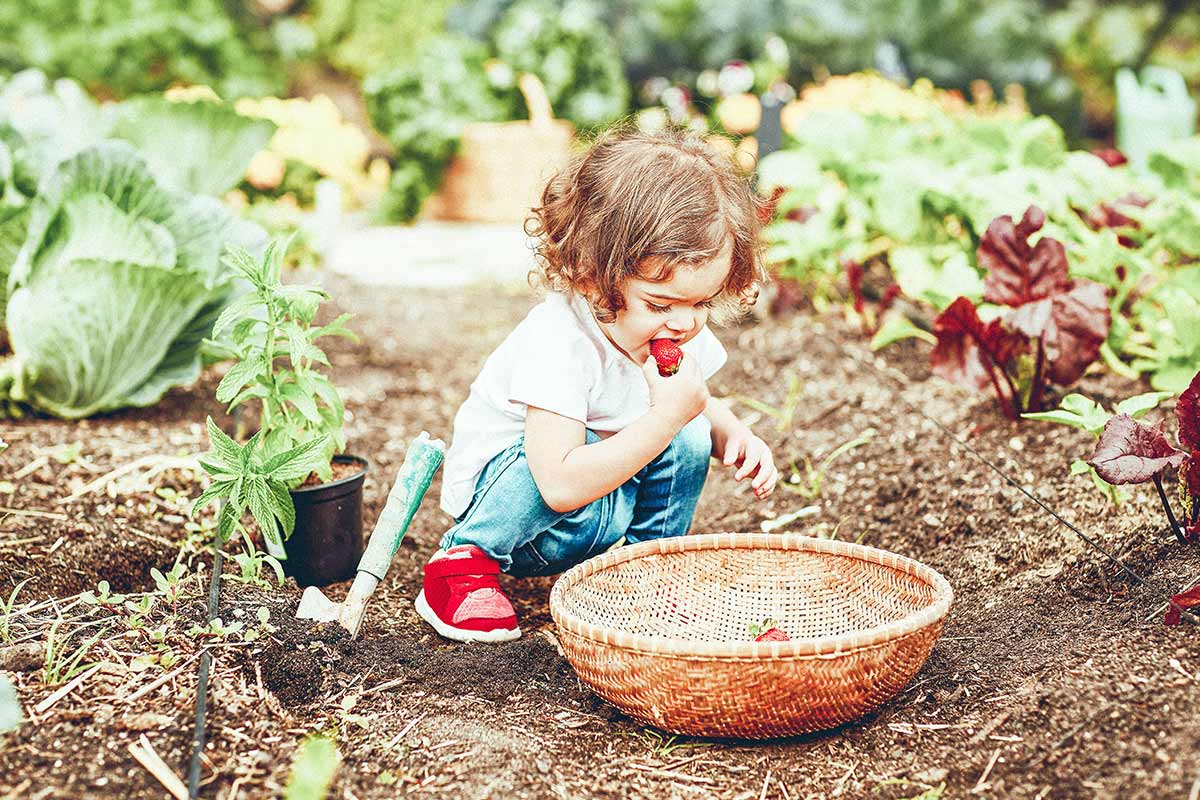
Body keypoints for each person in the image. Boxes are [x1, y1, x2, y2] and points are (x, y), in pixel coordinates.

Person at [415, 125, 780, 643]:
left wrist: (733, 435)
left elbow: (689, 405)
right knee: (608, 436)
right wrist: (668, 417)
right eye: (660, 304)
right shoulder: (558, 343)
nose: (685, 324)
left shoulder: (672, 331)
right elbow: (558, 484)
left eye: (701, 303)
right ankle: (461, 566)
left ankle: (645, 571)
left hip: (602, 505)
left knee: (691, 433)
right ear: (592, 278)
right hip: (526, 521)